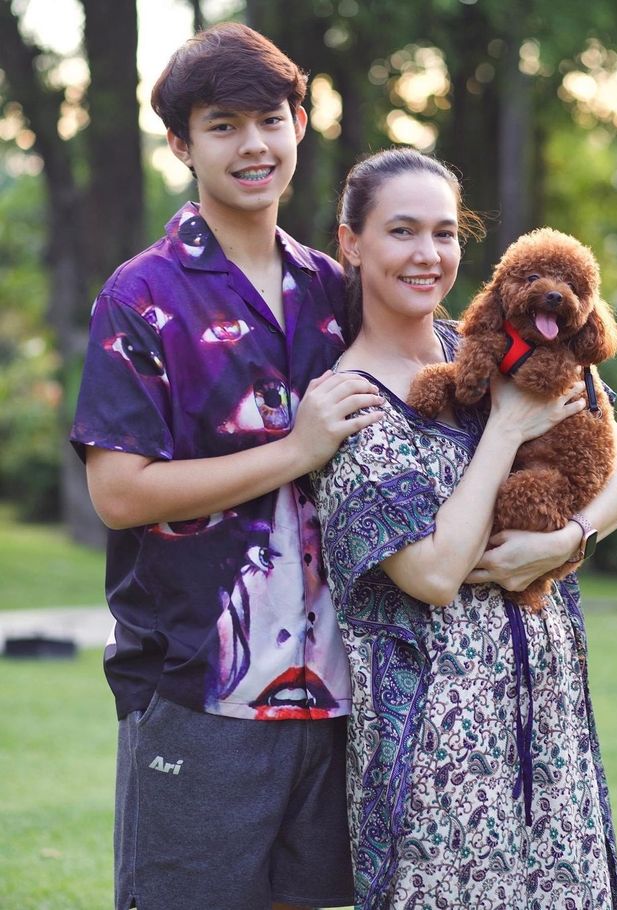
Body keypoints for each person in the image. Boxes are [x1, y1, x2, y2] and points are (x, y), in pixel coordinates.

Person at [70, 22, 385, 910]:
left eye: (270, 120)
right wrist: (295, 451)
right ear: (182, 145)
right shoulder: (141, 296)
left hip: (338, 692)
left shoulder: (336, 291)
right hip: (198, 689)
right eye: (223, 125)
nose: (253, 145)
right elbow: (118, 493)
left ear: (299, 125)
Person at [311, 147, 617, 910]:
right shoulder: (349, 404)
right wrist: (504, 429)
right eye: (402, 231)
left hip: (548, 712)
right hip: (439, 744)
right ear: (352, 243)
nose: (428, 254)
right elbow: (433, 575)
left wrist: (569, 539)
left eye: (444, 233)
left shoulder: (497, 345)